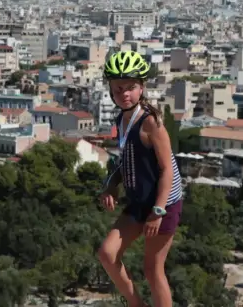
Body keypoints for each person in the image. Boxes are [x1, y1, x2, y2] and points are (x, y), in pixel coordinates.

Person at [97, 50, 183, 307]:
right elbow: (126, 161)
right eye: (118, 88)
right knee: (107, 254)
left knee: (153, 269)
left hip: (163, 202)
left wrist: (158, 210)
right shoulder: (122, 119)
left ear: (142, 87)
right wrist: (111, 186)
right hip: (138, 200)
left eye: (130, 87)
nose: (124, 93)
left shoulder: (151, 122)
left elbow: (167, 169)